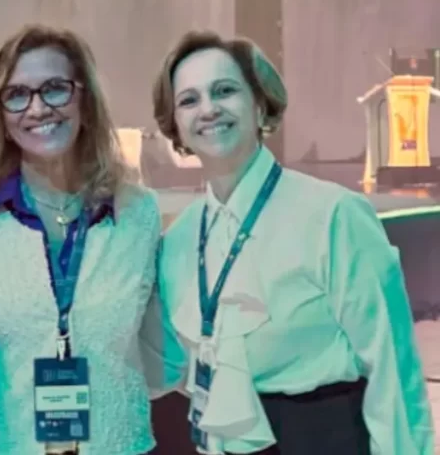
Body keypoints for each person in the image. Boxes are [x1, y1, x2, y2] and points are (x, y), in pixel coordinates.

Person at [144, 30, 434, 454]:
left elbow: (393, 371)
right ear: (176, 127)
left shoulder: (333, 215)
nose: (208, 109)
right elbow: (169, 363)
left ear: (260, 104)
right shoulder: (180, 239)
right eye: (189, 100)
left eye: (225, 91)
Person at [0, 24, 162, 455]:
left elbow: (158, 340)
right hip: (2, 444)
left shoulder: (139, 212)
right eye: (16, 95)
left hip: (117, 443)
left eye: (55, 89)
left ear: (85, 100)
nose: (38, 108)